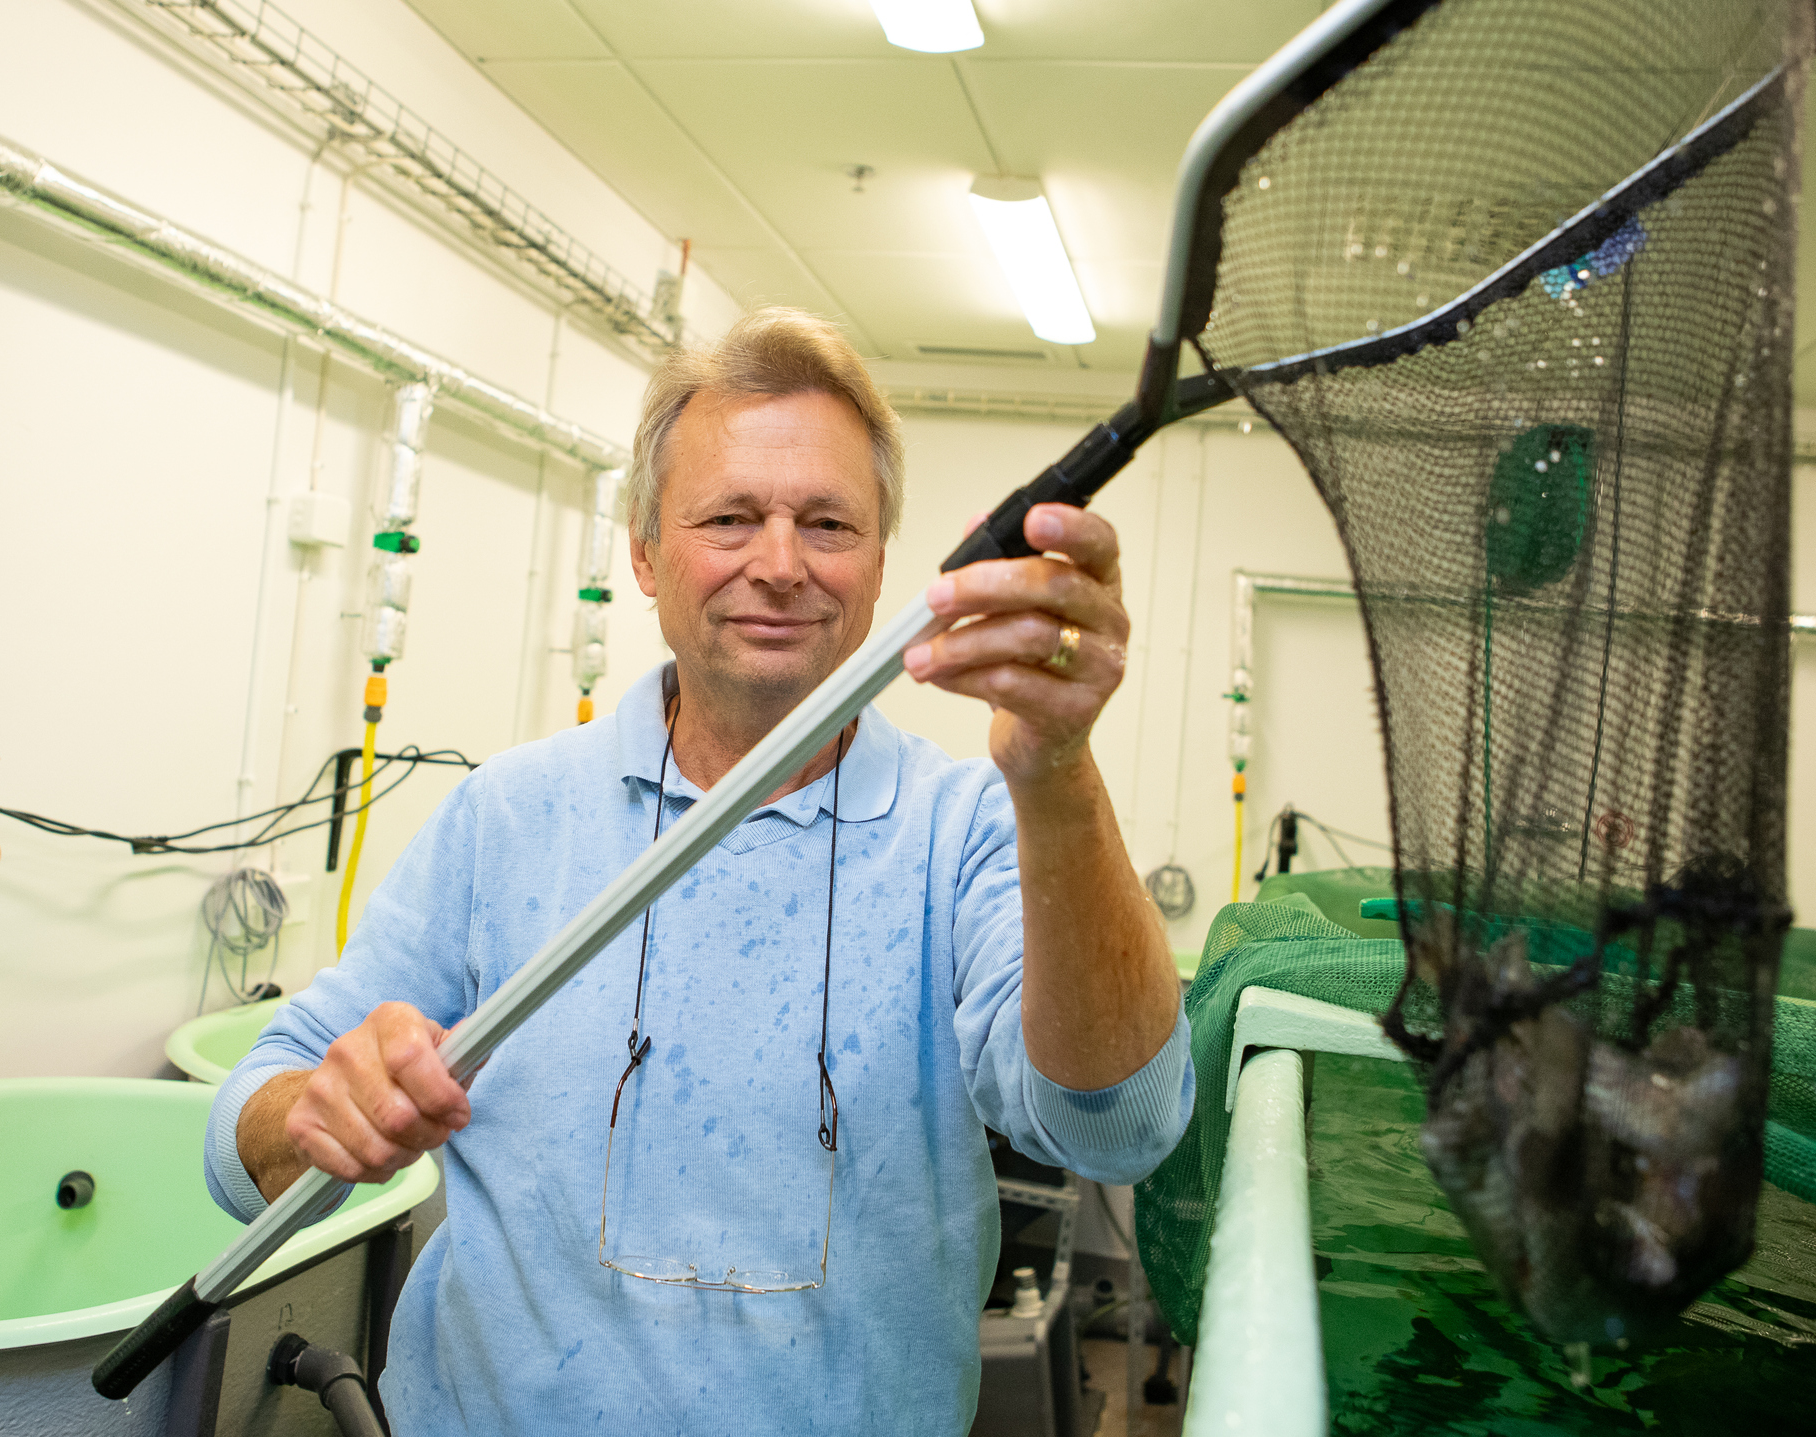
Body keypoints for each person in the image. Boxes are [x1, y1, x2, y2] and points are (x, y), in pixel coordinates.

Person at [207, 307, 1192, 1433]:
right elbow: (239, 1142)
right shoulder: (509, 815)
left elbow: (1121, 1132)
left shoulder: (963, 828)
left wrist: (1057, 770)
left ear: (881, 566)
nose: (779, 565)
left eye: (828, 523)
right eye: (729, 518)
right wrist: (313, 1113)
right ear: (642, 550)